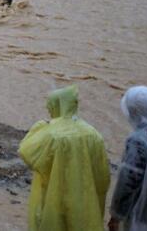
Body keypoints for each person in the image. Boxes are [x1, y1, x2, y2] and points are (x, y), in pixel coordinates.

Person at [20, 85, 110, 231]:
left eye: (50, 105)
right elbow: (102, 174)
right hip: (84, 199)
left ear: (58, 105)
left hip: (54, 196)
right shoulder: (93, 134)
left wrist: (38, 128)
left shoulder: (50, 134)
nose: (48, 109)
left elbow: (27, 153)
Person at [110, 86, 147, 231]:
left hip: (146, 218)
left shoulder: (137, 141)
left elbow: (128, 182)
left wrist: (116, 216)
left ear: (132, 112)